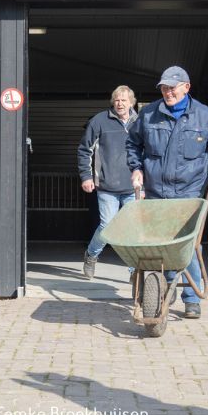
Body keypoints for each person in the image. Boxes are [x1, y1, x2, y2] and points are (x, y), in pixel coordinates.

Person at [126, 66, 208, 319]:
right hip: (155, 191)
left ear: (187, 87)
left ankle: (191, 297)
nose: (167, 92)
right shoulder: (149, 113)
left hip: (189, 192)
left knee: (187, 245)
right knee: (159, 244)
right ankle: (164, 285)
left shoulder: (205, 116)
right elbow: (132, 143)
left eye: (172, 87)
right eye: (164, 88)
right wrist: (136, 168)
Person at [77, 85, 138, 279]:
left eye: (124, 100)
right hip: (106, 185)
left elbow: (148, 153)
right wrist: (86, 177)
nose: (120, 104)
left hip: (133, 187)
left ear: (131, 103)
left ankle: (134, 271)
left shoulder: (141, 122)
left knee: (131, 229)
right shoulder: (99, 121)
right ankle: (91, 255)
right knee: (108, 225)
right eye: (117, 100)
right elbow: (84, 150)